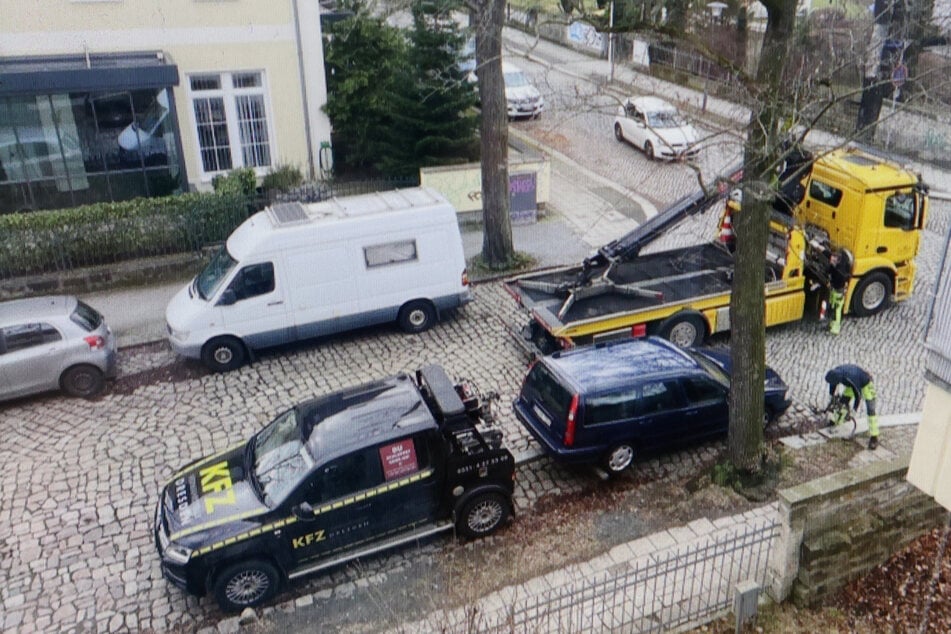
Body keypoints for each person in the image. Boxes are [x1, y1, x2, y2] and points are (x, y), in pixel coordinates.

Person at [824, 364, 879, 450]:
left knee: (871, 409)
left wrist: (854, 410)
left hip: (865, 384)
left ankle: (874, 437)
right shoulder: (834, 374)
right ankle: (835, 421)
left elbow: (858, 395)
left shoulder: (849, 378)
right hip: (852, 386)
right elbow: (833, 385)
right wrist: (831, 398)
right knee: (842, 403)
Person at [827, 248, 854, 335]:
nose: (831, 260)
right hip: (836, 290)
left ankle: (836, 328)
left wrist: (830, 283)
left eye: (833, 259)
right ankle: (832, 323)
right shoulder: (839, 266)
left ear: (837, 260)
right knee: (834, 307)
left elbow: (836, 279)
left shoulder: (839, 272)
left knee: (837, 310)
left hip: (838, 291)